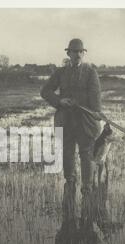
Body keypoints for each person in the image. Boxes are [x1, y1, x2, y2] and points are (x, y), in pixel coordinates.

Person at [41, 38, 106, 215]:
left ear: (83, 54)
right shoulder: (60, 73)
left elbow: (95, 98)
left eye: (80, 52)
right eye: (74, 51)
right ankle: (70, 184)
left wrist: (96, 112)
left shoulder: (91, 72)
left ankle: (86, 188)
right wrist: (60, 101)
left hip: (85, 122)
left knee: (86, 154)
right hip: (66, 120)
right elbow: (45, 91)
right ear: (68, 53)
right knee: (67, 152)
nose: (77, 54)